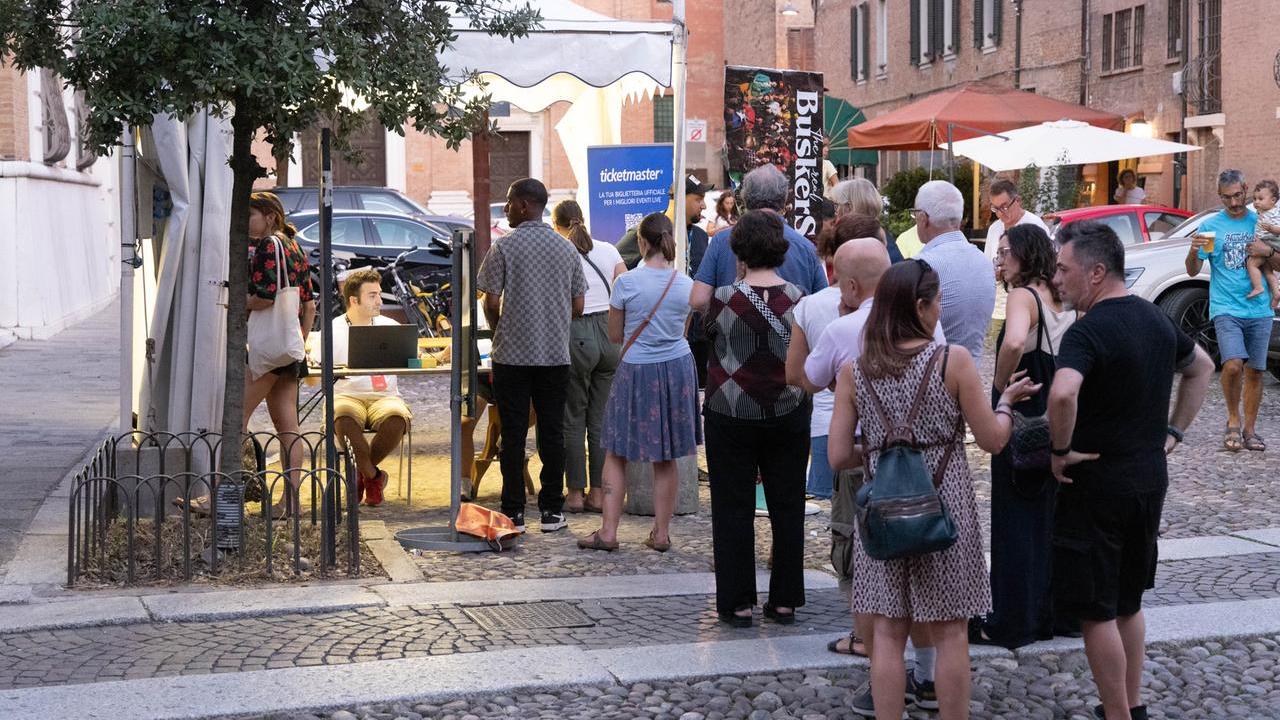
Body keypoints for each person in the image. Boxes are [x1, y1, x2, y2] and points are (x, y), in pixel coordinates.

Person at [827, 259, 1041, 720]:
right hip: (946, 509)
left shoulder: (855, 372)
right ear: (921, 307)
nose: (941, 309)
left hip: (883, 512)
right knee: (949, 633)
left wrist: (884, 450)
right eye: (938, 301)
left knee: (886, 634)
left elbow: (838, 455)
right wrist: (1004, 404)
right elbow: (993, 440)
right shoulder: (953, 361)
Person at [1048, 220, 1213, 720]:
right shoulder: (1153, 316)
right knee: (1128, 602)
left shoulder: (1087, 330)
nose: (1057, 278)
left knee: (1096, 611)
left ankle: (1116, 714)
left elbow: (1061, 392)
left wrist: (1058, 449)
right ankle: (1132, 706)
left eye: (1063, 269)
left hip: (1094, 482)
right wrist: (1174, 432)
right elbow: (1201, 366)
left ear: (1096, 272)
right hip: (1146, 478)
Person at [970, 224, 1077, 649]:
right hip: (1054, 414)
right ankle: (1045, 614)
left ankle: (1011, 620)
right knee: (1048, 518)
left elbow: (1014, 340)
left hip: (1024, 414)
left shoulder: (1022, 296)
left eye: (1005, 251)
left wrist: (998, 388)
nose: (999, 259)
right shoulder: (1061, 296)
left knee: (1015, 518)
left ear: (1026, 254)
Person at [704, 209, 810, 628]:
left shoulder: (722, 298)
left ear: (739, 250)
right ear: (781, 249)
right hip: (787, 408)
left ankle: (737, 602)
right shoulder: (801, 300)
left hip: (730, 410)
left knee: (732, 506)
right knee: (788, 506)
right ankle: (784, 600)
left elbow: (705, 340)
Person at [577, 213, 700, 552]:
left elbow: (615, 336)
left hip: (637, 370)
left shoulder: (627, 284)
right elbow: (683, 331)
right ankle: (661, 534)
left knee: (616, 451)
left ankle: (608, 532)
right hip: (677, 369)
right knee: (668, 455)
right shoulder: (685, 284)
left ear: (642, 242)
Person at [477, 178, 587, 533]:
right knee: (552, 431)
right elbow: (579, 304)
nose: (506, 208)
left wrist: (499, 326)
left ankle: (514, 511)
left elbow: (490, 301)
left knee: (512, 434)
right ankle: (552, 510)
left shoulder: (504, 248)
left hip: (511, 355)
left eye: (509, 201)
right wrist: (553, 322)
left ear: (525, 205)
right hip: (555, 355)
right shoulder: (566, 249)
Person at [787, 215, 883, 502]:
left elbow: (796, 376)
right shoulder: (911, 312)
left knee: (844, 524)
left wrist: (834, 381)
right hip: (890, 431)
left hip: (828, 424)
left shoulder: (810, 306)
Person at [1185, 169, 1272, 453]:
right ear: (1219, 196)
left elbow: (1278, 264)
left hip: (1259, 307)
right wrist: (1192, 251)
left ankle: (1250, 430)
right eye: (1226, 198)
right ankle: (1233, 419)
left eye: (1238, 195)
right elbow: (1193, 269)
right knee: (1233, 364)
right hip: (1226, 306)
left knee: (1256, 371)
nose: (1234, 203)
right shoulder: (1211, 227)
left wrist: (1268, 252)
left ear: (1245, 189)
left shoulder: (1260, 222)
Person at [553, 200, 625, 514]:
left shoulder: (558, 254)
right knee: (600, 420)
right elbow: (625, 287)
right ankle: (599, 493)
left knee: (573, 418)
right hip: (609, 334)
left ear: (558, 226)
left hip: (576, 332)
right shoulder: (609, 250)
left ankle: (574, 494)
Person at [691, 165, 828, 312]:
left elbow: (698, 300)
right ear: (784, 199)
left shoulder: (722, 240)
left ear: (745, 198)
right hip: (792, 332)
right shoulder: (806, 247)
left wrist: (725, 316)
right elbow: (822, 304)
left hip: (733, 331)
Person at [329, 269, 412, 507]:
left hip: (385, 396)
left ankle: (361, 474)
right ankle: (374, 477)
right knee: (343, 418)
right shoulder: (334, 328)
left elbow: (410, 358)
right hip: (347, 394)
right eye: (372, 295)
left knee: (397, 418)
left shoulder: (390, 325)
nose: (380, 301)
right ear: (354, 300)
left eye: (379, 294)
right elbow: (319, 366)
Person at [914, 180, 996, 360]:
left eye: (915, 215)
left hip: (930, 377)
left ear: (923, 218)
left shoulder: (921, 265)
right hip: (971, 373)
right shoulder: (984, 261)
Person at [829, 178, 904, 262]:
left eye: (836, 205)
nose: (835, 212)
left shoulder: (858, 244)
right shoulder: (881, 238)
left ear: (849, 208)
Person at [983, 178, 1049, 263]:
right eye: (996, 208)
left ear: (1018, 201)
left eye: (1004, 207)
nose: (1000, 213)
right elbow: (988, 262)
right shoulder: (993, 229)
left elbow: (1045, 263)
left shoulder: (1035, 225)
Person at [1245, 179, 1280, 308]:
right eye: (1254, 199)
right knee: (1267, 269)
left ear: (1273, 200)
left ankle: (1258, 287)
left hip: (1273, 242)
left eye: (1260, 198)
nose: (1256, 202)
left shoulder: (1274, 213)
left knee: (1251, 264)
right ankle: (1276, 293)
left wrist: (1272, 229)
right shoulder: (1263, 212)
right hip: (1269, 243)